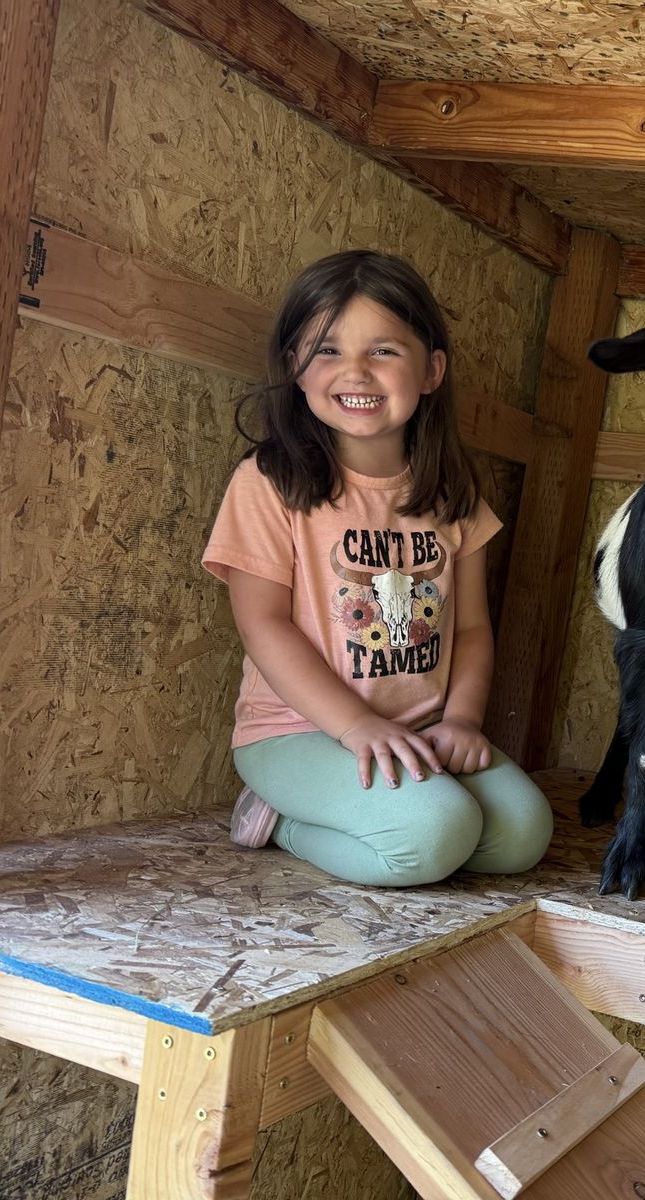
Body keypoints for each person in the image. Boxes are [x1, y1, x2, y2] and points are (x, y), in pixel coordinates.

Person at [202, 250, 552, 887]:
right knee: (433, 834)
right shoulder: (269, 482)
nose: (355, 372)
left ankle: (401, 811)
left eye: (384, 351)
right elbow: (263, 626)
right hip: (298, 733)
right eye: (327, 351)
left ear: (431, 370)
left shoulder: (452, 493)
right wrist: (356, 724)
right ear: (295, 369)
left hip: (419, 729)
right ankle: (279, 818)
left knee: (522, 834)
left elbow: (471, 628)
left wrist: (463, 721)